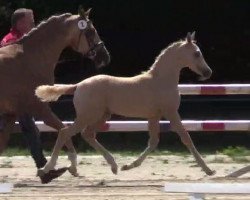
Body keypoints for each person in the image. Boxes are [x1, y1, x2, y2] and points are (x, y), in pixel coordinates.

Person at [0, 8, 47, 169]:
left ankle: (42, 164)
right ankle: (42, 165)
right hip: (11, 96)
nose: (34, 23)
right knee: (28, 126)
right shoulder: (11, 41)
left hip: (16, 96)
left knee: (28, 127)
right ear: (20, 23)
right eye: (30, 20)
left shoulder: (25, 40)